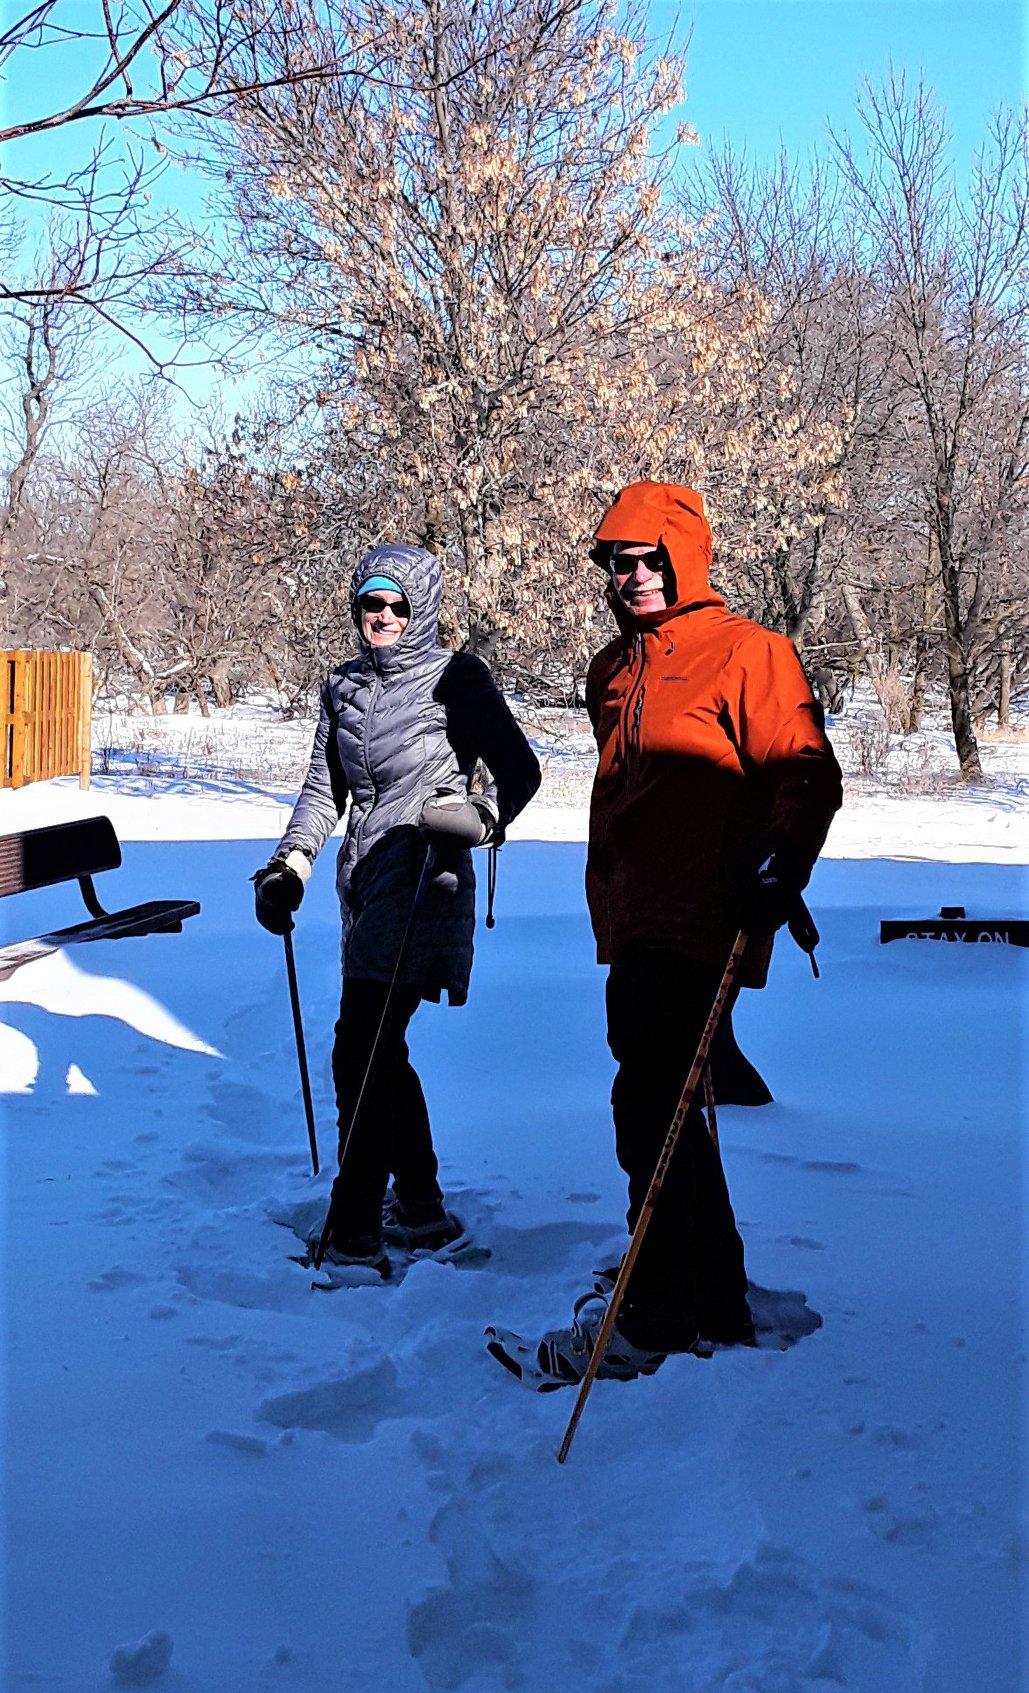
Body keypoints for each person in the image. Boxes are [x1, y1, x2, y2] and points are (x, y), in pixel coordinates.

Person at [487, 480, 842, 1386]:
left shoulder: (748, 653)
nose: (635, 575)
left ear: (688, 558)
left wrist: (779, 859)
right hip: (633, 916)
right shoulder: (616, 667)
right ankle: (709, 1290)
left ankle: (655, 1312)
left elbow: (804, 771)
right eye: (618, 561)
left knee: (646, 1106)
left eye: (651, 559)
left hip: (706, 914)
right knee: (668, 1108)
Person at [253, 542, 541, 1278]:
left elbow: (520, 770)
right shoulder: (341, 687)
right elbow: (325, 790)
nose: (381, 616)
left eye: (397, 605)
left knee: (362, 1048)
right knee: (381, 1048)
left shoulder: (457, 678)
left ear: (422, 611)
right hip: (365, 884)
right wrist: (292, 863)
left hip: (424, 883)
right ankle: (418, 1206)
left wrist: (481, 814)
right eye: (370, 603)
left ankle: (352, 1236)